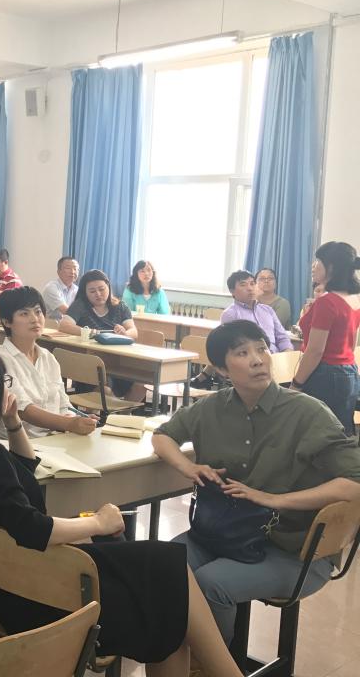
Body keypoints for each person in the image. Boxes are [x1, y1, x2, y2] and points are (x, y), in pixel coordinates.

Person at [0, 345, 242, 677]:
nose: (8, 388)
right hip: (39, 593)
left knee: (169, 595)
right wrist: (98, 522)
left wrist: (13, 423)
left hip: (12, 581)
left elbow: (21, 471)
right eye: (3, 381)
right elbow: (34, 528)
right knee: (169, 574)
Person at [153, 320, 360, 643]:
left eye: (262, 349)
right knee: (159, 566)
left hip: (292, 547)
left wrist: (274, 499)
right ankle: (179, 656)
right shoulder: (211, 408)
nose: (257, 360)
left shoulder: (307, 412)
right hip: (222, 533)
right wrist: (189, 467)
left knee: (212, 583)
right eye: (242, 353)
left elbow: (354, 481)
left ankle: (213, 664)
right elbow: (162, 436)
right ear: (222, 369)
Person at [0, 287, 98, 438]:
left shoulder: (48, 357)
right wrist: (69, 423)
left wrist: (76, 418)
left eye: (38, 312)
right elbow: (22, 410)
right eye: (24, 314)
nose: (35, 319)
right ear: (6, 322)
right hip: (20, 442)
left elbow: (63, 404)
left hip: (54, 437)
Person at [293, 242, 360, 434]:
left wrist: (296, 384)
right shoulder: (354, 298)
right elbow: (352, 343)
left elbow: (315, 351)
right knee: (340, 431)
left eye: (318, 261)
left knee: (317, 432)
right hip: (348, 371)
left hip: (325, 374)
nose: (313, 266)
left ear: (331, 267)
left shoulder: (327, 302)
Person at [59, 269, 140, 398]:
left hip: (118, 361)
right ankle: (112, 408)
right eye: (92, 291)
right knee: (105, 390)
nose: (98, 294)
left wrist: (125, 333)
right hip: (90, 365)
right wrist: (89, 332)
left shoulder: (120, 307)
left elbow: (133, 331)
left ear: (108, 287)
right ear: (85, 292)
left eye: (102, 289)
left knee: (141, 385)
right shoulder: (80, 305)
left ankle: (120, 410)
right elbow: (64, 325)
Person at [220, 271, 292, 353]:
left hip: (276, 356)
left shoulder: (268, 310)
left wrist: (287, 352)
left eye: (252, 284)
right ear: (232, 291)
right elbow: (233, 347)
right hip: (251, 358)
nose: (250, 288)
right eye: (243, 285)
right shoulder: (230, 314)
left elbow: (282, 337)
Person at [42, 256, 80, 320]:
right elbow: (67, 312)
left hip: (69, 323)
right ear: (59, 272)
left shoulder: (77, 289)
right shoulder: (51, 288)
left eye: (75, 269)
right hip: (51, 324)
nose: (72, 272)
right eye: (68, 268)